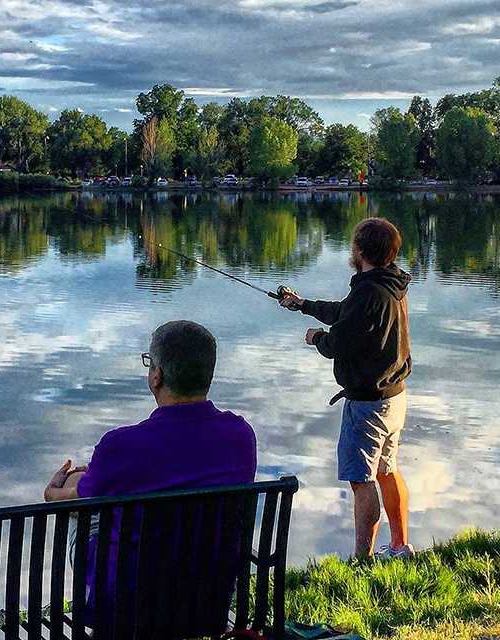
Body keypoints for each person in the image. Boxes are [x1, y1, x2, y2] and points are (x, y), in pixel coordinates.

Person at [42, 320, 258, 638]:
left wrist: (53, 489)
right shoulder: (240, 436)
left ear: (156, 375)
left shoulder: (120, 446)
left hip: (129, 603)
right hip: (208, 598)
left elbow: (69, 499)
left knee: (86, 512)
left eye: (150, 362)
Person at [277, 217, 414, 560]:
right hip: (394, 397)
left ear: (360, 250)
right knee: (387, 470)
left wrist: (315, 339)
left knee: (361, 480)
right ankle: (400, 546)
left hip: (368, 404)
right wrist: (304, 305)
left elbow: (339, 342)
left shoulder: (369, 291)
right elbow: (345, 313)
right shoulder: (389, 285)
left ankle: (362, 560)